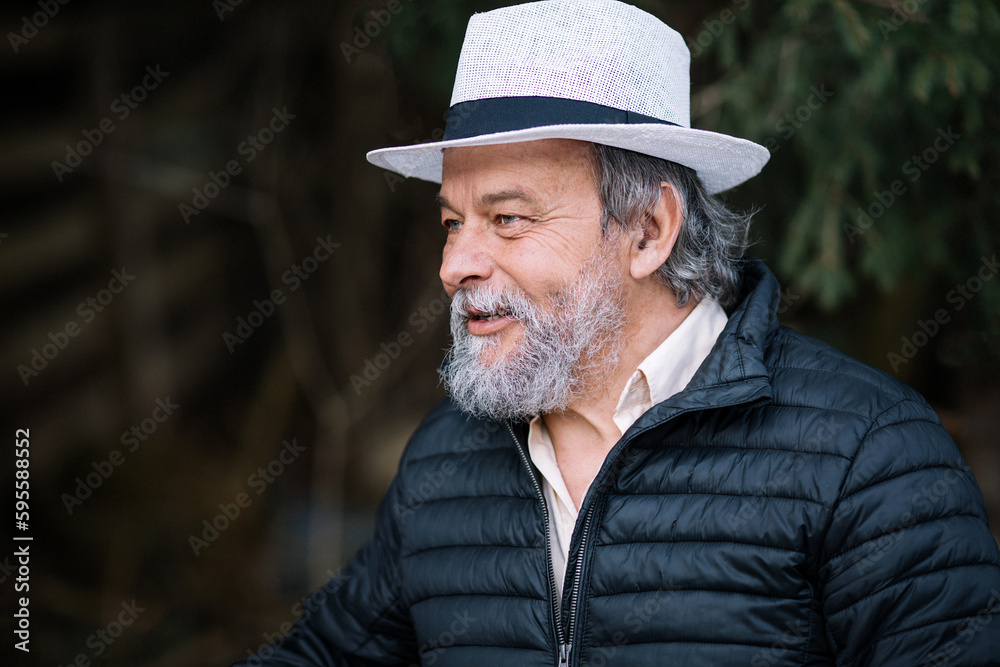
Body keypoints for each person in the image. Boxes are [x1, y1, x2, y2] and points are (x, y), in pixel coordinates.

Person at [236, 1, 1000, 665]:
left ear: (648, 230)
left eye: (507, 219)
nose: (456, 264)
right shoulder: (446, 456)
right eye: (452, 222)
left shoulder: (868, 453)